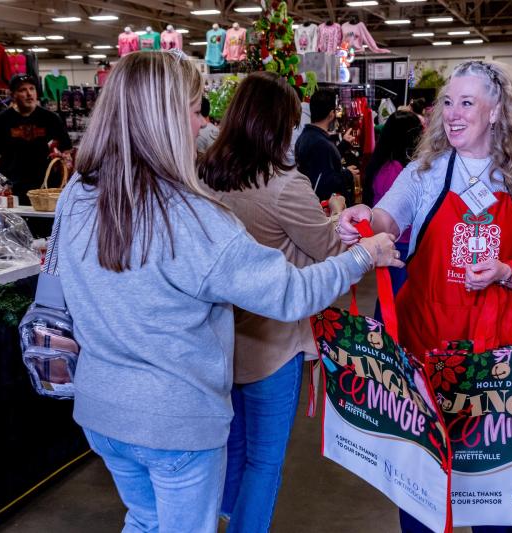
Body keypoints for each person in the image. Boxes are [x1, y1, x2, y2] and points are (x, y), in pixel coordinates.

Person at [58, 51, 401, 533]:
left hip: (102, 410)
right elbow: (290, 293)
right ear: (164, 114)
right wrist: (364, 255)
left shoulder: (79, 191)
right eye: (196, 107)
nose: (204, 120)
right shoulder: (189, 215)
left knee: (146, 520)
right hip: (173, 419)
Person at [338, 60, 512, 533]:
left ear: (496, 110)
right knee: (421, 483)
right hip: (426, 348)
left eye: (467, 102)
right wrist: (364, 214)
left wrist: (508, 271)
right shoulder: (426, 171)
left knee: (492, 489)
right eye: (448, 102)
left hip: (496, 359)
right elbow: (387, 219)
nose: (453, 113)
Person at [200, 71, 347, 533]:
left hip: (219, 337)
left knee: (234, 449)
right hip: (273, 343)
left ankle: (225, 519)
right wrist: (340, 212)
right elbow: (330, 251)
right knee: (265, 462)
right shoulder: (284, 184)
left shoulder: (205, 173)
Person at [0, 74, 72, 204]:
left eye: (32, 88)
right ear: (12, 94)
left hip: (47, 189)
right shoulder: (0, 121)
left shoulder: (51, 119)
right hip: (13, 190)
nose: (29, 94)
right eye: (23, 90)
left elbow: (67, 151)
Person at [363, 110, 422, 294]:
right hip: (400, 243)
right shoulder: (396, 171)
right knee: (395, 301)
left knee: (389, 297)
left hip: (394, 241)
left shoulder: (384, 165)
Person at [295, 89, 359, 205]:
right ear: (331, 114)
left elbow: (322, 164)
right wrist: (348, 174)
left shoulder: (307, 136)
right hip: (325, 209)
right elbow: (323, 182)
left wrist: (343, 145)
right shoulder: (320, 143)